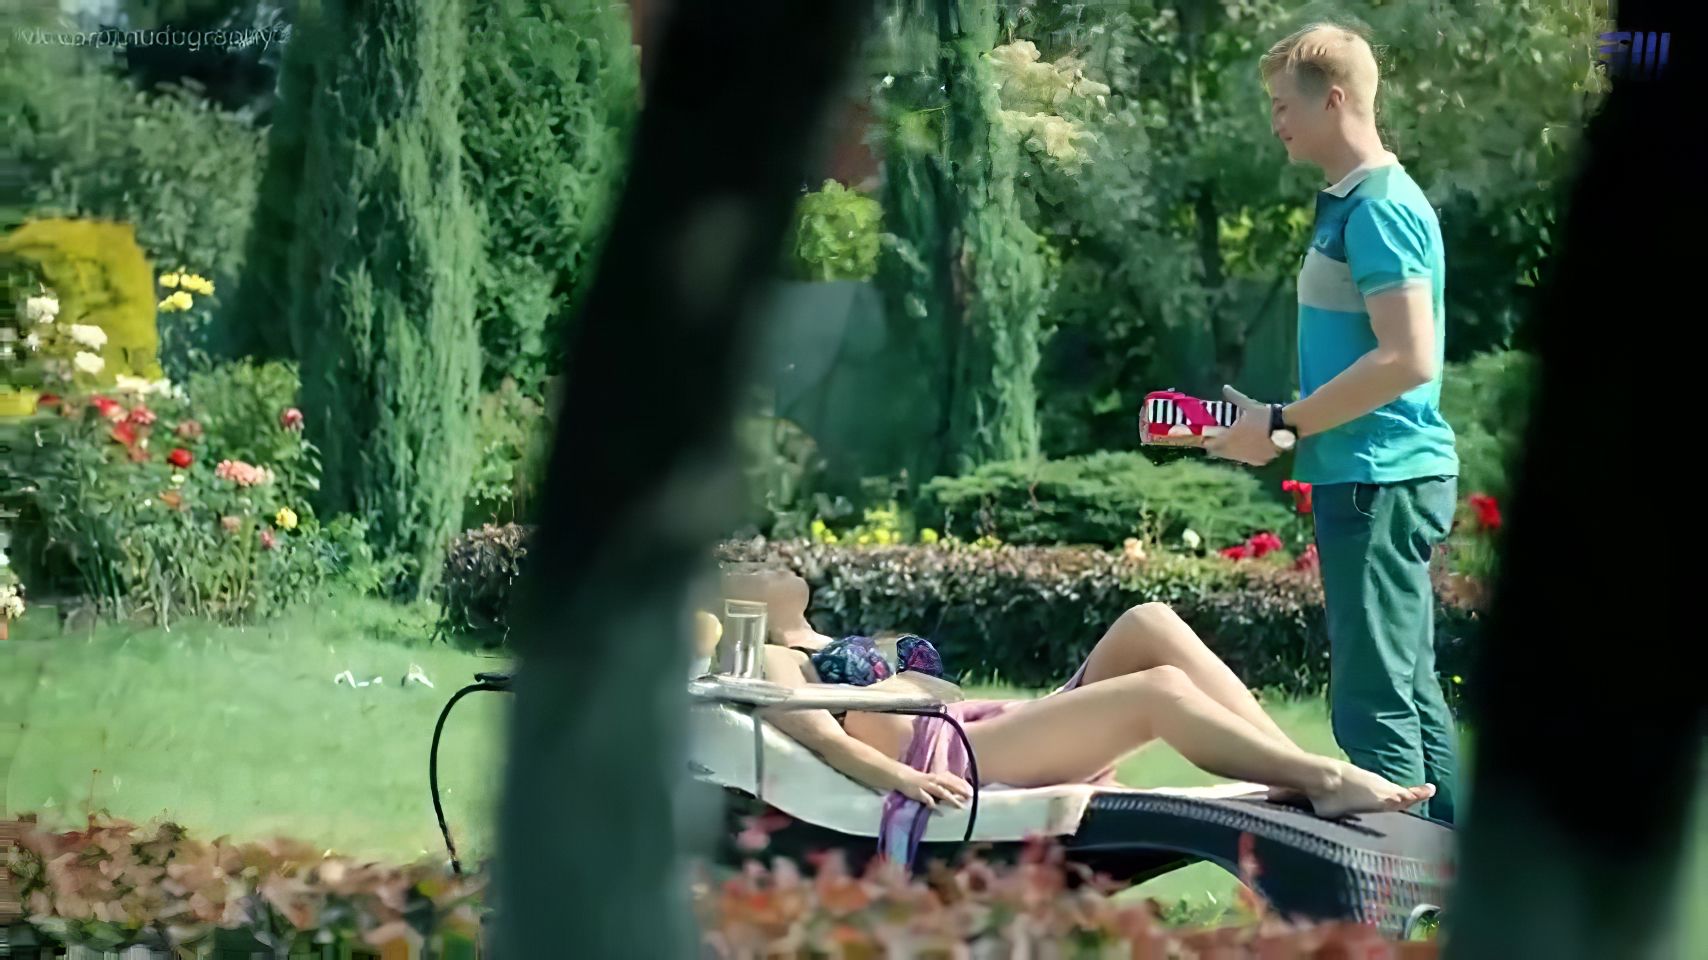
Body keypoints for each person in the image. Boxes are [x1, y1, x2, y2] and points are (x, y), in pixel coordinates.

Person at [721, 567, 1434, 861]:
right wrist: (900, 780)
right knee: (1158, 691)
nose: (765, 561)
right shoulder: (776, 655)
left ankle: (1292, 770)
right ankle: (1320, 777)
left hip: (992, 727)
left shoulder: (828, 638)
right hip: (958, 759)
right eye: (745, 564)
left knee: (1150, 622)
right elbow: (819, 735)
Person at [1207, 23, 1461, 823]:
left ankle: (1387, 890)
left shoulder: (1378, 209)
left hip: (1377, 480)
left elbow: (1408, 358)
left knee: (1372, 702)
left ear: (1336, 100)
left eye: (1285, 105)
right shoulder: (1358, 203)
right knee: (1406, 689)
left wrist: (1283, 424)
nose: (1276, 120)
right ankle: (1450, 878)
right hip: (1373, 477)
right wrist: (1278, 424)